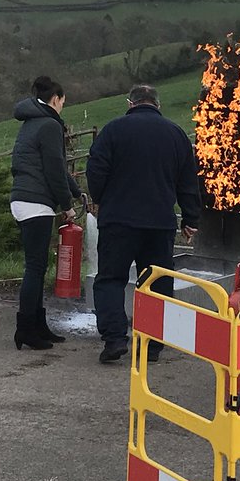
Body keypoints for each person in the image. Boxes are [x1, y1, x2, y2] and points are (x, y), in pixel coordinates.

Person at [86, 83, 201, 365]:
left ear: (130, 103)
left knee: (111, 279)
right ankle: (152, 346)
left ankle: (114, 339)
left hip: (119, 220)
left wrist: (102, 199)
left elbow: (95, 169)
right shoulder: (176, 134)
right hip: (159, 223)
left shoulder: (113, 130)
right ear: (158, 105)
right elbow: (188, 180)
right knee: (157, 283)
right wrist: (190, 218)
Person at [10, 75, 83, 350]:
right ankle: (25, 329)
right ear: (56, 99)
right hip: (35, 203)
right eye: (63, 102)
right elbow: (54, 169)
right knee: (35, 268)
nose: (63, 106)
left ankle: (38, 325)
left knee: (37, 268)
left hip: (23, 199)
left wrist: (76, 191)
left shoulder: (31, 122)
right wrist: (68, 205)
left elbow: (57, 168)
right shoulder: (50, 125)